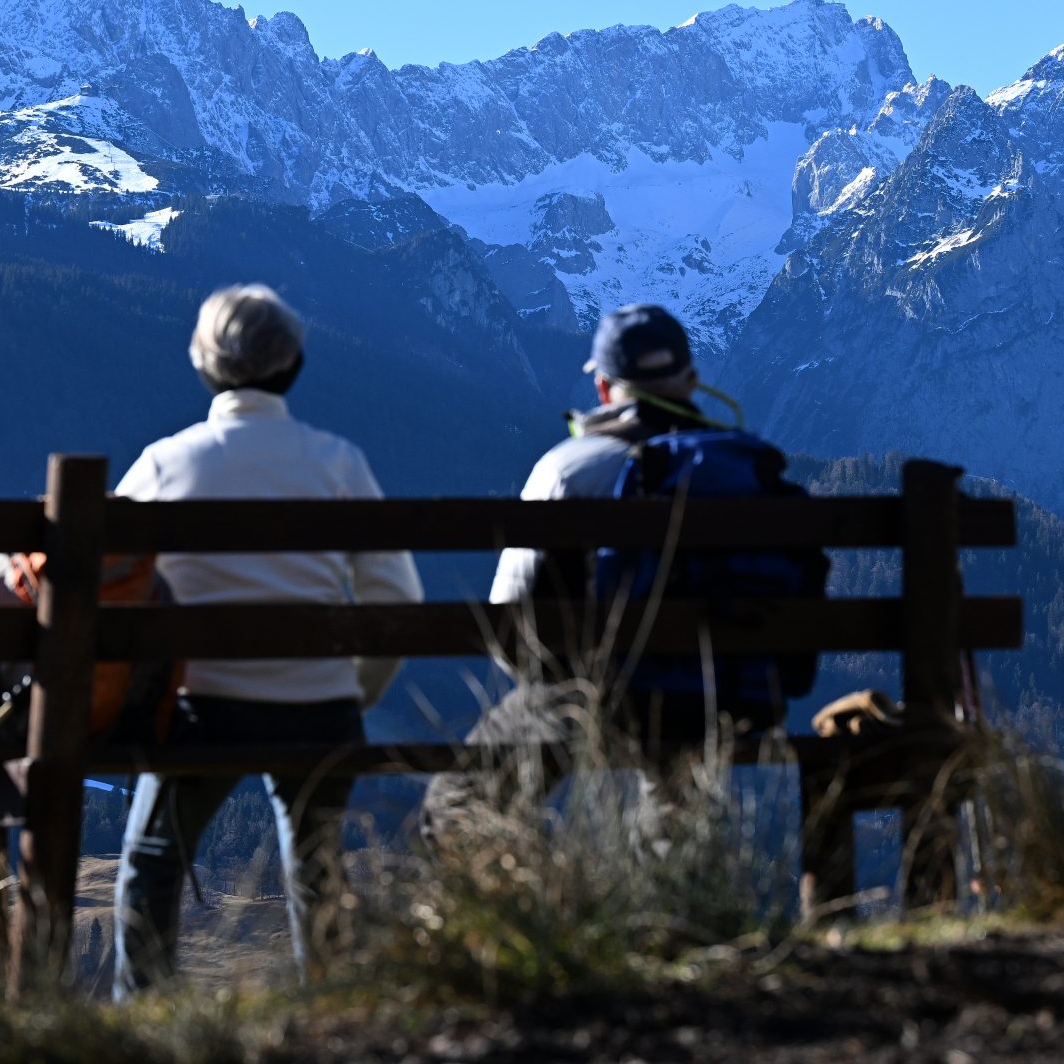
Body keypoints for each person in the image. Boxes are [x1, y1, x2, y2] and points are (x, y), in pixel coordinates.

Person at [112, 282, 423, 997]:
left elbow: (108, 587)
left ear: (204, 366)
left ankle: (142, 1015)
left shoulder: (164, 463)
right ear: (295, 367)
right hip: (320, 711)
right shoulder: (337, 462)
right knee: (318, 866)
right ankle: (332, 1014)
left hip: (200, 713)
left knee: (153, 859)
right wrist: (350, 689)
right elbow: (398, 600)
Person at [420, 302, 799, 845]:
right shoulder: (750, 469)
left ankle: (526, 922)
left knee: (456, 808)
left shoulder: (571, 467)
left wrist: (547, 682)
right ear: (692, 380)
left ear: (603, 388)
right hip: (722, 696)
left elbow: (512, 609)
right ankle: (676, 915)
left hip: (591, 695)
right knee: (676, 810)